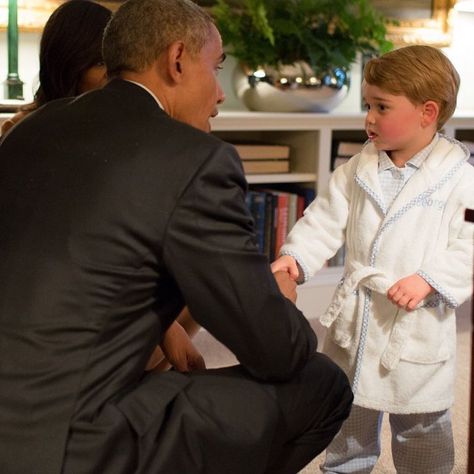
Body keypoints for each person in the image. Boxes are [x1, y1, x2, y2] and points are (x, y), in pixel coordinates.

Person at [0, 0, 353, 473]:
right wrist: (279, 299)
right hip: (67, 444)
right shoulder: (196, 160)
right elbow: (275, 351)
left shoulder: (31, 128)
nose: (221, 93)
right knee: (321, 383)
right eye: (217, 67)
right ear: (178, 59)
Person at [272, 45, 474, 473]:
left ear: (427, 112)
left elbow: (471, 244)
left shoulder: (461, 178)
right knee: (348, 415)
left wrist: (431, 279)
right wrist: (296, 259)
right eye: (368, 105)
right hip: (357, 322)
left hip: (415, 323)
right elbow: (323, 220)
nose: (368, 118)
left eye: (382, 107)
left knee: (422, 427)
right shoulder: (356, 169)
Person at [0, 0, 201, 371]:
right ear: (70, 67)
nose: (117, 80)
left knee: (194, 278)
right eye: (104, 67)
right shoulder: (25, 134)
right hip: (49, 295)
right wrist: (163, 325)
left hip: (99, 279)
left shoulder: (116, 128)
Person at [1, 0, 111, 135]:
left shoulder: (124, 124)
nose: (114, 74)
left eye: (116, 61)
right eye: (100, 63)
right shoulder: (22, 130)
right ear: (69, 66)